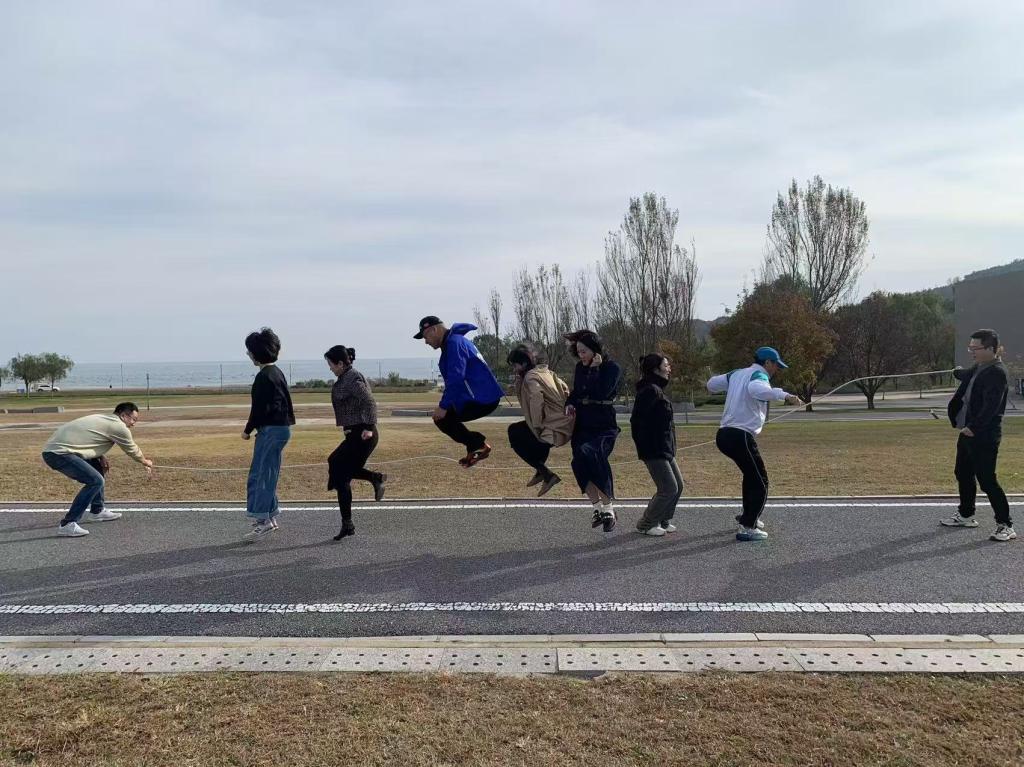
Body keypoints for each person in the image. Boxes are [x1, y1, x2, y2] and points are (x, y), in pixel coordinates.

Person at [707, 347, 804, 542]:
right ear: (767, 362)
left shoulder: (736, 374)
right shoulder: (760, 375)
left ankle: (748, 515)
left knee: (751, 476)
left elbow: (711, 384)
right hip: (740, 435)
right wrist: (784, 395)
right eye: (775, 365)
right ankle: (748, 526)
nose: (776, 369)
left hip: (723, 435)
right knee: (761, 481)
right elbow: (756, 390)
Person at [941, 329, 1015, 542]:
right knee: (962, 472)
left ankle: (1006, 525)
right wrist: (957, 372)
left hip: (984, 434)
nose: (972, 352)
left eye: (976, 348)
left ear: (991, 349)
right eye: (970, 348)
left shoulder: (997, 373)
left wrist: (974, 427)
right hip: (968, 431)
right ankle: (966, 515)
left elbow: (991, 406)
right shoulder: (979, 366)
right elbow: (968, 375)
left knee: (987, 479)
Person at [41, 403, 154, 538]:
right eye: (133, 419)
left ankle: (97, 510)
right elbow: (132, 449)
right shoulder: (119, 426)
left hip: (59, 450)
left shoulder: (104, 419)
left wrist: (100, 456)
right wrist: (145, 461)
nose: (134, 423)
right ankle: (68, 524)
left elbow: (87, 438)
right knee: (95, 481)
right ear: (123, 415)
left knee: (97, 466)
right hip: (58, 454)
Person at [414, 315, 504, 467]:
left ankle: (478, 445)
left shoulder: (454, 343)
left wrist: (443, 406)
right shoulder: (454, 342)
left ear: (434, 329)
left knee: (442, 418)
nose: (426, 342)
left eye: (425, 336)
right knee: (443, 419)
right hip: (482, 397)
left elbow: (456, 378)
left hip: (481, 399)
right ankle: (475, 446)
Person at [325, 345, 387, 541]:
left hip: (363, 434)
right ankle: (373, 478)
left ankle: (348, 523)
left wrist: (368, 427)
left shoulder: (352, 378)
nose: (329, 368)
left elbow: (369, 401)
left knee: (339, 469)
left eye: (330, 364)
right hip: (355, 434)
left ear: (340, 363)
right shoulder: (346, 377)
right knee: (339, 468)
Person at [564, 330, 622, 532]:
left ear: (595, 350)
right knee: (579, 460)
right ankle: (596, 508)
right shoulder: (580, 368)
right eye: (578, 351)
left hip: (604, 423)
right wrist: (569, 403)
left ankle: (609, 508)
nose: (581, 355)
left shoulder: (612, 367)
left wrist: (596, 369)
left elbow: (603, 392)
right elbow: (577, 391)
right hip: (583, 423)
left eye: (584, 351)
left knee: (594, 454)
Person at [242, 327, 295, 539]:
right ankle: (271, 517)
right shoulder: (277, 373)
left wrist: (247, 430)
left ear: (257, 353)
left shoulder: (263, 377)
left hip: (271, 430)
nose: (248, 354)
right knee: (268, 472)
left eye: (249, 350)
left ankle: (262, 520)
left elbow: (258, 409)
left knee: (260, 475)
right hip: (281, 428)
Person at [506, 343, 573, 496]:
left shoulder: (530, 378)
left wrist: (537, 425)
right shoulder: (547, 372)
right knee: (525, 434)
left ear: (524, 363)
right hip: (562, 424)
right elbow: (565, 389)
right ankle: (541, 472)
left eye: (515, 365)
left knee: (514, 433)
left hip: (552, 427)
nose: (514, 369)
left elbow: (536, 399)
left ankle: (547, 474)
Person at [631, 354, 683, 537]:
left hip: (665, 448)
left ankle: (663, 520)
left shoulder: (657, 389)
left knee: (678, 486)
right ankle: (646, 524)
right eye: (666, 365)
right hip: (654, 450)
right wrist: (647, 446)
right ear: (655, 369)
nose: (669, 368)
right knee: (668, 488)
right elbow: (637, 422)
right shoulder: (649, 391)